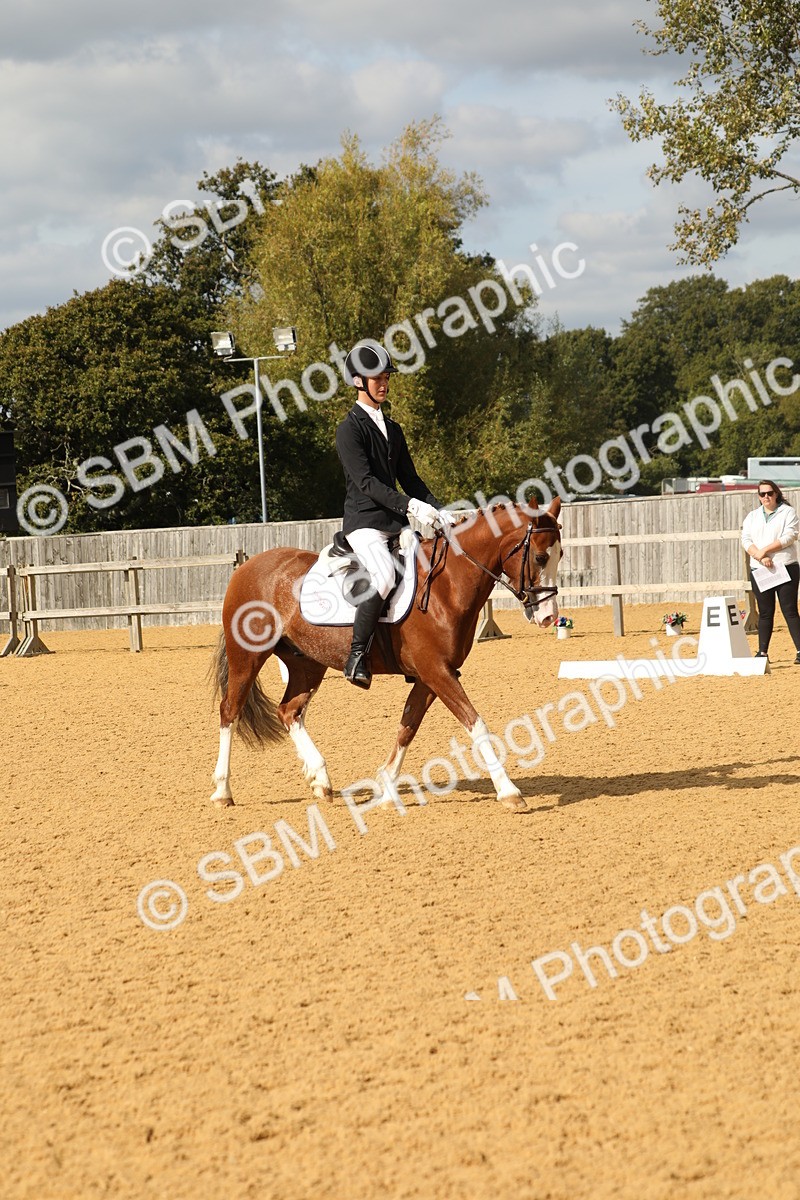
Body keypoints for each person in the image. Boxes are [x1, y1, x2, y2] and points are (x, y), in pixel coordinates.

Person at [334, 339, 456, 688]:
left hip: (396, 522)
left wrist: (437, 510)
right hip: (365, 523)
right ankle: (357, 655)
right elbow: (367, 482)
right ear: (359, 381)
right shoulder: (349, 430)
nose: (384, 383)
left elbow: (411, 479)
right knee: (386, 576)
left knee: (428, 566)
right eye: (377, 378)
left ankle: (416, 653)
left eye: (387, 377)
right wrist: (408, 506)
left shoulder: (394, 429)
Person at [741, 479, 800, 663]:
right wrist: (760, 556)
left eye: (769, 493)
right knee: (765, 611)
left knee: (789, 610)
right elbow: (746, 539)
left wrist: (765, 550)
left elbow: (790, 536)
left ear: (776, 493)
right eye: (762, 494)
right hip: (760, 568)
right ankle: (762, 652)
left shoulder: (788, 512)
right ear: (758, 496)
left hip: (785, 566)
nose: (766, 497)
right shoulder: (752, 516)